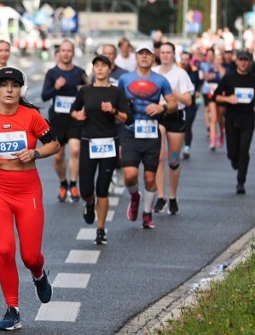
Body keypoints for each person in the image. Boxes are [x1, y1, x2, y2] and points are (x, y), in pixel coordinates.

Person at [0, 67, 60, 330]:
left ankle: (39, 274)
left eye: (14, 85)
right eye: (4, 85)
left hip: (28, 191)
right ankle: (12, 309)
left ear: (21, 90)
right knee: (5, 249)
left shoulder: (31, 116)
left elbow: (54, 144)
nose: (9, 90)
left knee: (30, 256)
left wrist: (35, 154)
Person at [71, 55, 132, 244]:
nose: (99, 69)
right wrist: (78, 115)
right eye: (96, 66)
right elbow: (73, 110)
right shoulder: (85, 91)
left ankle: (101, 229)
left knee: (102, 189)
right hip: (89, 142)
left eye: (103, 66)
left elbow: (127, 118)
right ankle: (89, 204)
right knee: (86, 189)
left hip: (108, 144)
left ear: (109, 69)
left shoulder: (117, 92)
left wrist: (113, 110)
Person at [118, 42, 176, 229]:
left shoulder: (161, 80)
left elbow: (173, 103)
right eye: (141, 54)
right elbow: (119, 106)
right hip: (130, 133)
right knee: (130, 175)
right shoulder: (125, 79)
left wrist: (162, 107)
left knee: (150, 178)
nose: (144, 57)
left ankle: (147, 213)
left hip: (151, 134)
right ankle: (135, 197)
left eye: (148, 54)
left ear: (153, 57)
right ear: (136, 57)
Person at [41, 39, 88, 203]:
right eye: (63, 51)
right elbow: (44, 96)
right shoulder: (52, 73)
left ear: (73, 53)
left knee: (75, 150)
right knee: (58, 156)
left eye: (69, 51)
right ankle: (63, 183)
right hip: (57, 119)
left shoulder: (80, 73)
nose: (66, 53)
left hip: (75, 118)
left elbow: (89, 92)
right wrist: (56, 87)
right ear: (59, 53)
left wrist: (84, 109)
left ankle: (74, 184)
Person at [213, 50, 255, 194]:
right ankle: (234, 160)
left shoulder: (254, 79)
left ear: (249, 62)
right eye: (241, 60)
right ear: (237, 61)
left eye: (246, 60)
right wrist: (228, 99)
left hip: (248, 119)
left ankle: (241, 181)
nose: (243, 62)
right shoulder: (229, 78)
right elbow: (216, 96)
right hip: (231, 119)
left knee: (244, 150)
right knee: (232, 152)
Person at [152, 42, 194, 215]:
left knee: (174, 160)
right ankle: (160, 197)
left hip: (176, 118)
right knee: (159, 157)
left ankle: (172, 196)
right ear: (159, 54)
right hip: (158, 116)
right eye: (162, 52)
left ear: (173, 54)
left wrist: (171, 92)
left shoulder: (181, 73)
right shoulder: (153, 72)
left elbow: (188, 101)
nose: (165, 55)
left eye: (169, 52)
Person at [179, 51, 201, 159]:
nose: (184, 62)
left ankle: (187, 146)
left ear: (190, 60)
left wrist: (197, 92)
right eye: (182, 59)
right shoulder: (176, 70)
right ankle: (180, 144)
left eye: (186, 60)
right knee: (180, 126)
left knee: (188, 125)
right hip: (178, 103)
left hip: (191, 103)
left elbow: (198, 84)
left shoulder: (194, 71)